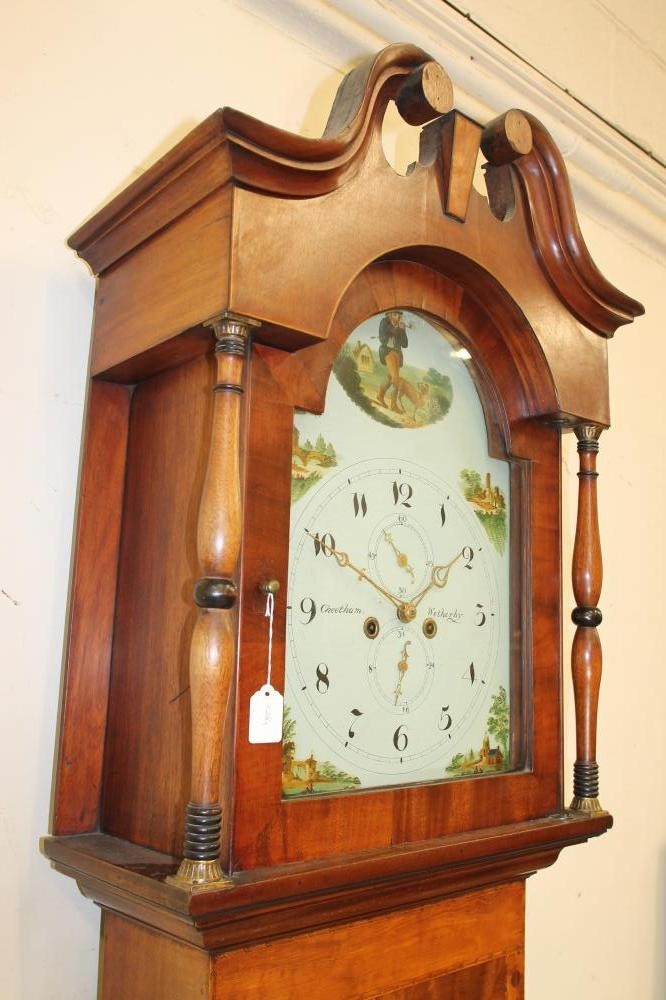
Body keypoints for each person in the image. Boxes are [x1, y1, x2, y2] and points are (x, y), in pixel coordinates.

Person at [377, 310, 408, 410]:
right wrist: (394, 329)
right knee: (396, 379)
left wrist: (402, 330)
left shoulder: (400, 326)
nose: (398, 317)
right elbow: (382, 339)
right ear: (390, 315)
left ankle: (380, 396)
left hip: (397, 353)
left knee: (390, 377)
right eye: (395, 315)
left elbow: (405, 344)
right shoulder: (384, 322)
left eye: (399, 315)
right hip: (387, 351)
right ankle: (393, 404)